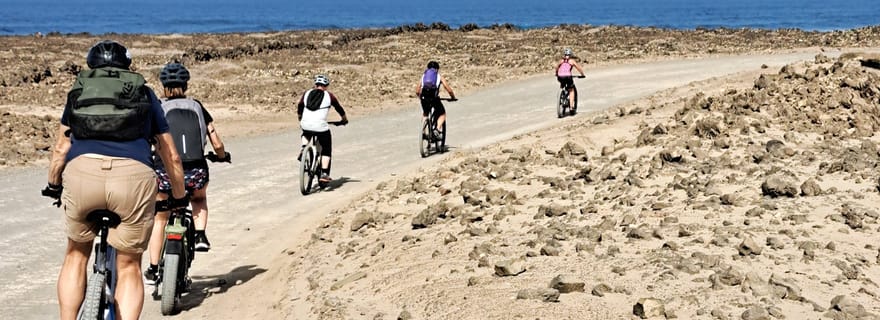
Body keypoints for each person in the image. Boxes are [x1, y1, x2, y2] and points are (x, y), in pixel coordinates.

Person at [41, 40, 187, 320]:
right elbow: (171, 156)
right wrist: (178, 196)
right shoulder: (145, 93)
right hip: (133, 180)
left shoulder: (78, 91)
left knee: (76, 254)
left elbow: (61, 148)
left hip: (83, 176)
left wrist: (54, 184)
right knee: (130, 263)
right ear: (127, 66)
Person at [143, 62, 230, 283]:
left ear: (163, 85)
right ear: (186, 84)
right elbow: (215, 140)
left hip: (164, 170)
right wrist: (221, 155)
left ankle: (153, 269)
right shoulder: (197, 106)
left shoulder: (157, 107)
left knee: (160, 216)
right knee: (198, 198)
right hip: (195, 169)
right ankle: (200, 235)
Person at [297, 74, 348, 183]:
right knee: (326, 148)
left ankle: (303, 148)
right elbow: (339, 108)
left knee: (306, 132)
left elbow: (300, 106)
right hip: (320, 126)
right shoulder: (329, 96)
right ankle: (324, 173)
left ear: (315, 85)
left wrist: (300, 118)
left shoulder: (306, 93)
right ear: (326, 86)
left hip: (305, 123)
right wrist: (344, 119)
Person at [415, 61, 456, 139]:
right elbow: (448, 89)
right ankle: (437, 129)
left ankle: (423, 132)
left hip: (424, 97)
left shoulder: (423, 76)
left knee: (425, 113)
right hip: (434, 98)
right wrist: (452, 97)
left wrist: (421, 97)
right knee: (442, 113)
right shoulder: (438, 76)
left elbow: (417, 90)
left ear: (428, 68)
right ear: (437, 69)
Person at [555, 48, 586, 112]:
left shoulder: (561, 61)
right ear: (571, 55)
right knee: (571, 90)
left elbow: (556, 67)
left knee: (562, 85)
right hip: (568, 76)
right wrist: (582, 74)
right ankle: (571, 107)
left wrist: (556, 74)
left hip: (560, 76)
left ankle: (561, 96)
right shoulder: (572, 61)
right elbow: (579, 68)